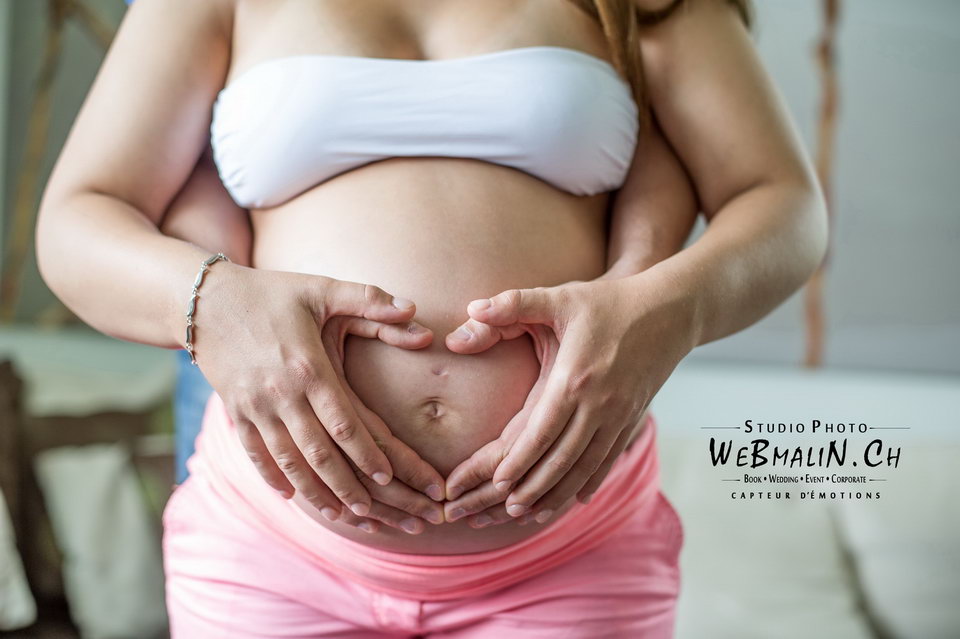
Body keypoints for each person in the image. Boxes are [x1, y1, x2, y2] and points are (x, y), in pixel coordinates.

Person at [36, 0, 827, 636]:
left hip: (566, 552)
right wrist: (213, 302)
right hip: (271, 548)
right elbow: (78, 221)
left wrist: (667, 313)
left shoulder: (644, 6)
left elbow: (784, 206)